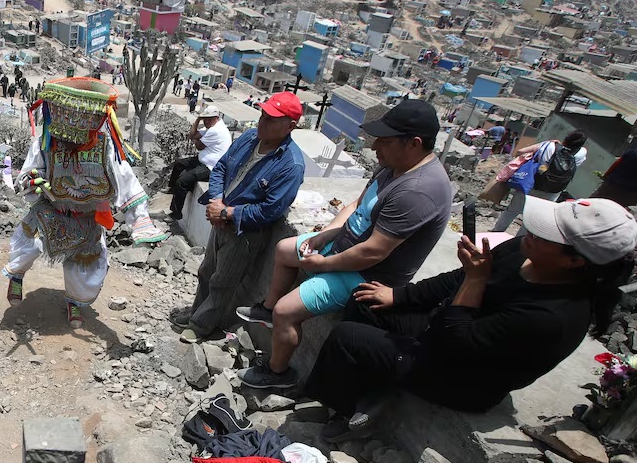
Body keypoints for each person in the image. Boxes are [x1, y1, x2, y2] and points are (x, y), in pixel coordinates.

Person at [308, 198, 637, 438]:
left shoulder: (555, 316)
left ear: (574, 262)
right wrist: (398, 296)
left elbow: (455, 344)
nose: (531, 233)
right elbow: (456, 279)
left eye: (546, 235)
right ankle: (379, 380)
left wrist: (476, 280)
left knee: (347, 337)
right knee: (367, 298)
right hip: (444, 331)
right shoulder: (524, 250)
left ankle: (346, 411)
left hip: (462, 376)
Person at [236, 99, 454, 390]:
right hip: (343, 245)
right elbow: (356, 204)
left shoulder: (418, 191)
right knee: (284, 250)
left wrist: (323, 264)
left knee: (286, 311)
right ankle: (268, 308)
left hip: (367, 273)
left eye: (384, 141)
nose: (375, 147)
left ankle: (278, 374)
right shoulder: (394, 165)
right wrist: (326, 233)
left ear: (413, 143)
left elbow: (373, 251)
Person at [5, 78, 168, 327]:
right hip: (50, 210)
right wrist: (31, 181)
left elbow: (126, 180)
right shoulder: (46, 143)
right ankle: (16, 276)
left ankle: (75, 302)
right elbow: (28, 174)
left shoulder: (106, 148)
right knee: (28, 245)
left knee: (86, 269)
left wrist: (140, 220)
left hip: (87, 218)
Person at [173, 94, 306, 343]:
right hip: (219, 218)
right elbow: (221, 167)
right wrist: (216, 201)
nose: (262, 122)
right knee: (207, 271)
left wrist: (227, 213)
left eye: (271, 119)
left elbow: (270, 209)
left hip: (244, 232)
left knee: (223, 281)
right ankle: (196, 314)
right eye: (263, 116)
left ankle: (202, 326)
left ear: (290, 126)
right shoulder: (249, 138)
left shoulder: (290, 165)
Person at [492, 131, 586, 232]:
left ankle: (497, 231)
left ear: (566, 138)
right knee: (533, 217)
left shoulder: (549, 145)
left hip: (533, 184)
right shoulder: (582, 153)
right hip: (553, 191)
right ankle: (519, 241)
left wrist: (548, 143)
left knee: (513, 209)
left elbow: (520, 151)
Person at [167, 106, 232, 221]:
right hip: (201, 160)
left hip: (210, 167)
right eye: (204, 119)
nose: (206, 122)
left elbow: (198, 146)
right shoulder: (212, 127)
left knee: (182, 182)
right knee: (179, 164)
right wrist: (197, 120)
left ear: (216, 118)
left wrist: (197, 139)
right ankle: (173, 189)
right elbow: (192, 135)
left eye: (209, 119)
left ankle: (176, 213)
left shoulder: (216, 130)